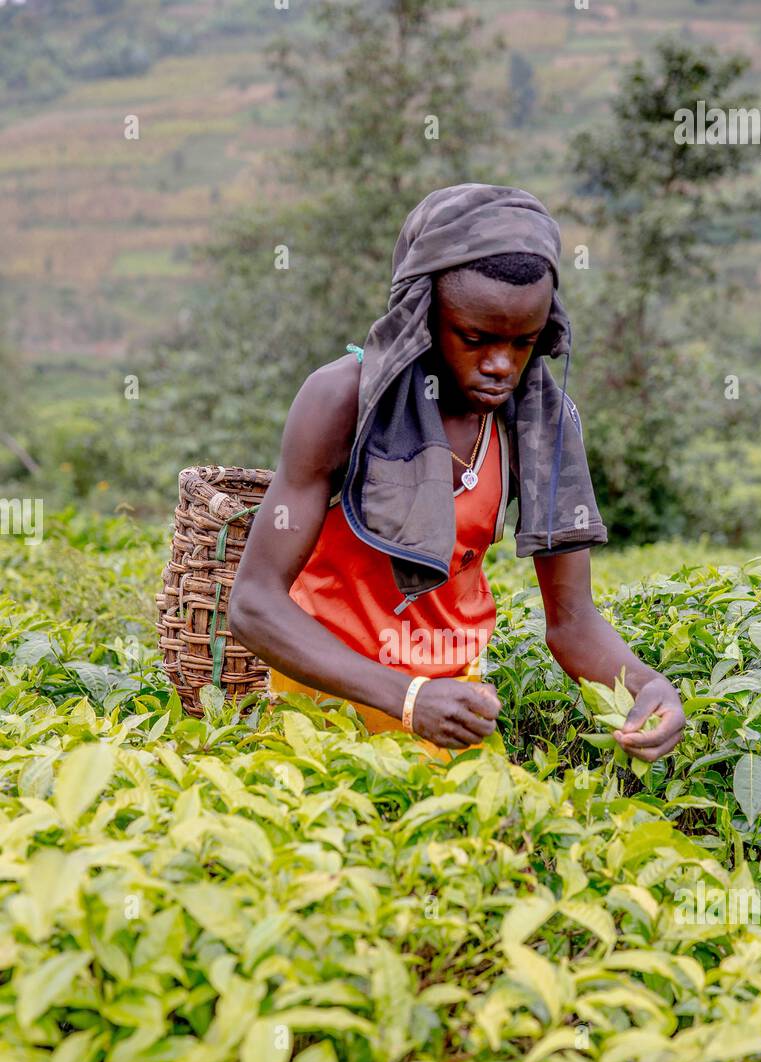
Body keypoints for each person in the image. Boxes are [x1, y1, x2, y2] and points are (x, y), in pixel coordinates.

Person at [230, 183, 685, 760]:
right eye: (475, 339)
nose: (501, 366)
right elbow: (253, 604)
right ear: (424, 314)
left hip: (453, 723)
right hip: (318, 729)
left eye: (523, 344)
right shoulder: (343, 400)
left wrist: (647, 687)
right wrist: (409, 697)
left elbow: (572, 623)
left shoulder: (539, 423)